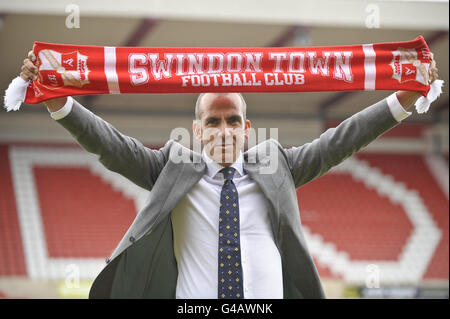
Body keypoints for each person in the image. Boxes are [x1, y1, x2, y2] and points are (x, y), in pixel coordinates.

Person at [19, 50, 439, 299]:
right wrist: (61, 103)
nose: (224, 130)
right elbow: (110, 145)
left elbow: (340, 140)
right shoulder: (172, 168)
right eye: (213, 121)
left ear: (246, 128)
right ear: (197, 130)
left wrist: (400, 101)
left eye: (233, 120)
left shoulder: (278, 166)